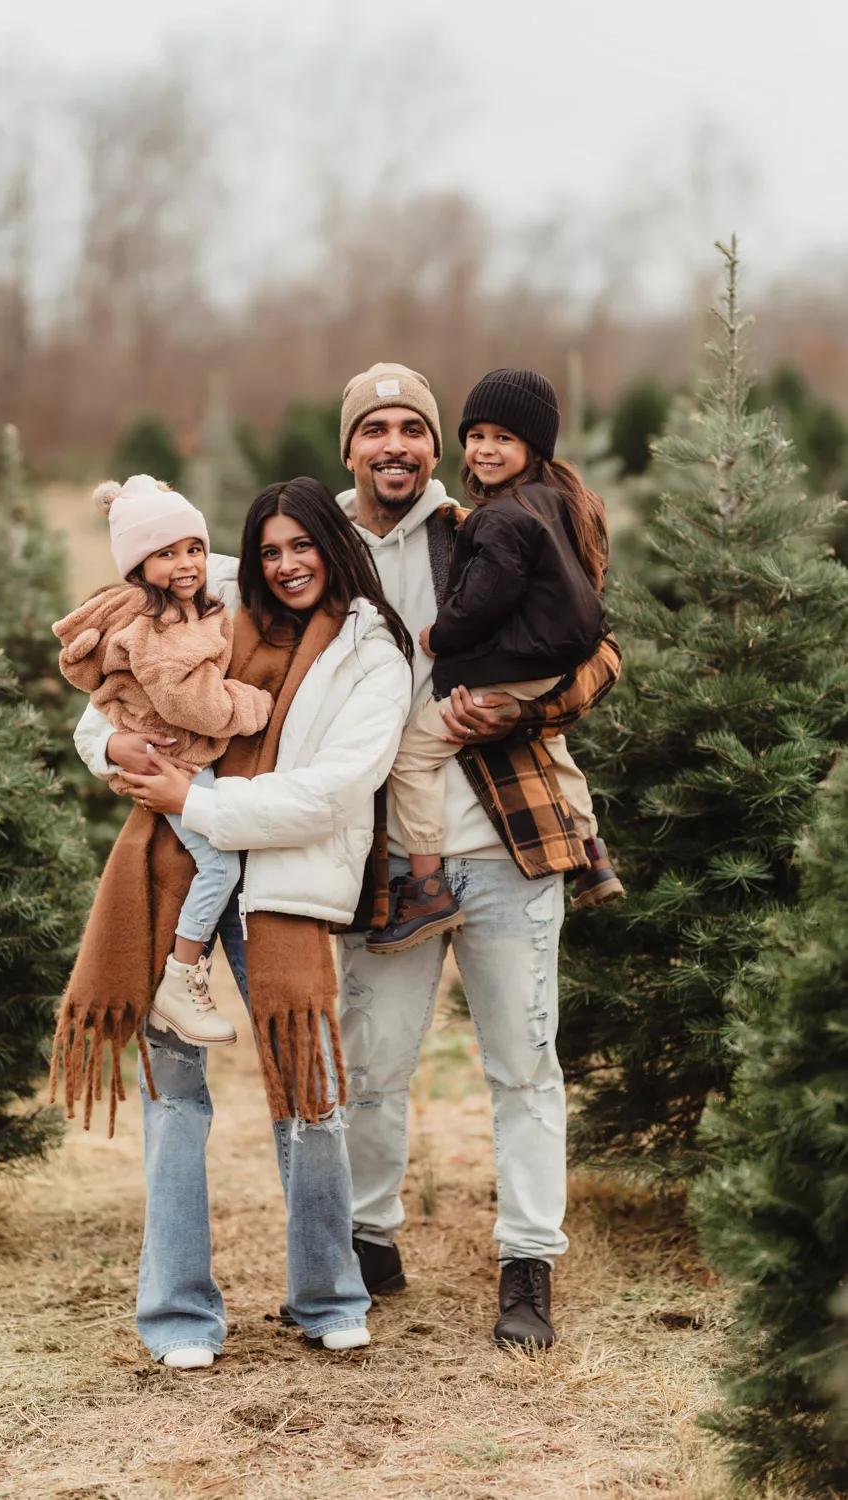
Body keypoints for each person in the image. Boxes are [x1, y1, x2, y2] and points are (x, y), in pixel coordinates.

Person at [66, 477, 413, 1369]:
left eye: (304, 546)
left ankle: (328, 1295)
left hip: (283, 883)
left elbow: (335, 790)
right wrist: (113, 747)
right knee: (173, 1100)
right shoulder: (209, 599)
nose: (286, 565)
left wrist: (201, 800)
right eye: (271, 549)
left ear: (336, 548)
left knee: (312, 1096)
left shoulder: (373, 654)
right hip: (171, 871)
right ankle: (178, 1316)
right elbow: (100, 704)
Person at [334, 362, 621, 1349]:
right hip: (383, 854)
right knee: (370, 1064)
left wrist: (527, 706)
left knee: (522, 1064)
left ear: (433, 446)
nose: (395, 447)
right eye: (374, 430)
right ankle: (367, 1242)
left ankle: (527, 1263)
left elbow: (600, 648)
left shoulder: (484, 522)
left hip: (506, 840)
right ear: (350, 449)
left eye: (410, 429)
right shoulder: (315, 549)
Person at [367, 368, 622, 955]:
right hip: (544, 662)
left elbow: (492, 599)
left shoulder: (487, 521)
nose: (484, 448)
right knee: (557, 753)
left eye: (503, 438)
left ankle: (426, 887)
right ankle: (592, 852)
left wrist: (443, 638)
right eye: (476, 435)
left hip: (508, 803)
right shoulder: (559, 507)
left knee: (412, 753)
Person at [53, 473, 272, 1045]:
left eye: (194, 548)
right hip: (177, 766)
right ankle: (182, 976)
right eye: (165, 553)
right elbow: (191, 702)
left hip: (186, 768)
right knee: (218, 867)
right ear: (137, 567)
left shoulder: (194, 605)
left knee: (218, 865)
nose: (186, 562)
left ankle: (183, 976)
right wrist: (255, 705)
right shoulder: (158, 623)